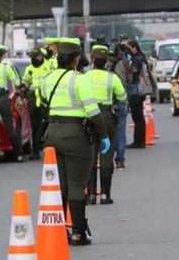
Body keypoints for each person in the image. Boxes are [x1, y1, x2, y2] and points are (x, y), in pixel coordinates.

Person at [40, 37, 109, 246]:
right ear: (76, 59)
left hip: (52, 134)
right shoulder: (79, 80)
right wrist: (104, 134)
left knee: (60, 185)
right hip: (75, 135)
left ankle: (59, 231)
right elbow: (92, 110)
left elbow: (43, 102)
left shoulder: (48, 79)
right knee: (77, 184)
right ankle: (79, 232)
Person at [84, 44, 127, 205]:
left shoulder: (84, 77)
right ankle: (105, 195)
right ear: (107, 60)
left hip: (89, 117)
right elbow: (122, 97)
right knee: (106, 157)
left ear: (92, 59)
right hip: (107, 116)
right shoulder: (112, 77)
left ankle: (91, 195)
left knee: (90, 157)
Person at [21, 47, 52, 160]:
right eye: (31, 58)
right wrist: (23, 95)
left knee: (49, 123)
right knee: (35, 126)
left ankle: (48, 147)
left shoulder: (48, 66)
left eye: (35, 57)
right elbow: (25, 83)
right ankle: (35, 151)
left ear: (40, 56)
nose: (33, 60)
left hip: (46, 99)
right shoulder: (29, 69)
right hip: (33, 100)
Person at [107, 39, 131, 168]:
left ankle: (106, 159)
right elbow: (129, 78)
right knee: (121, 131)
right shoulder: (124, 63)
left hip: (107, 101)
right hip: (121, 99)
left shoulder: (105, 64)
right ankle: (120, 159)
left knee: (105, 131)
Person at [125, 39, 152, 149]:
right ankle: (140, 141)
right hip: (141, 89)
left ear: (134, 47)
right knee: (138, 116)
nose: (127, 50)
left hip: (137, 89)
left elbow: (134, 72)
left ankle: (139, 141)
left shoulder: (137, 59)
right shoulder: (141, 57)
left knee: (137, 116)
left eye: (129, 48)